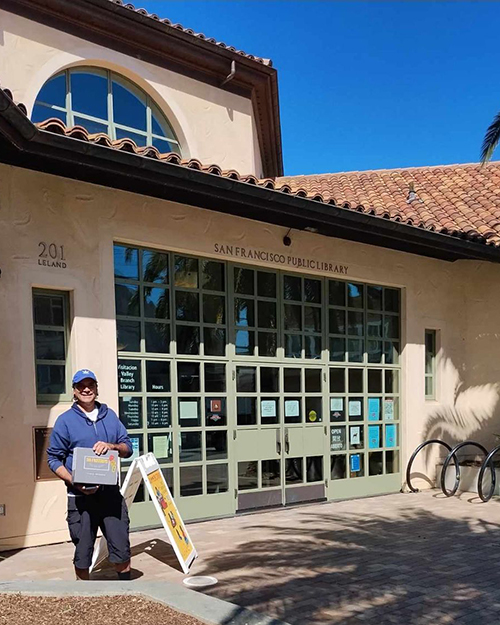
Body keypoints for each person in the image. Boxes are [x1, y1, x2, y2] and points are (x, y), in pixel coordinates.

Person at [47, 369, 133, 580]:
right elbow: (53, 460)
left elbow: (127, 448)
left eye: (90, 385)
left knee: (121, 549)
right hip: (80, 498)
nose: (86, 389)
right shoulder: (65, 421)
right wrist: (74, 482)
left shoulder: (110, 416)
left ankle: (127, 592)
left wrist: (111, 446)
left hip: (110, 495)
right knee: (83, 553)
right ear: (74, 392)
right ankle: (83, 596)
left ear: (96, 388)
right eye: (81, 386)